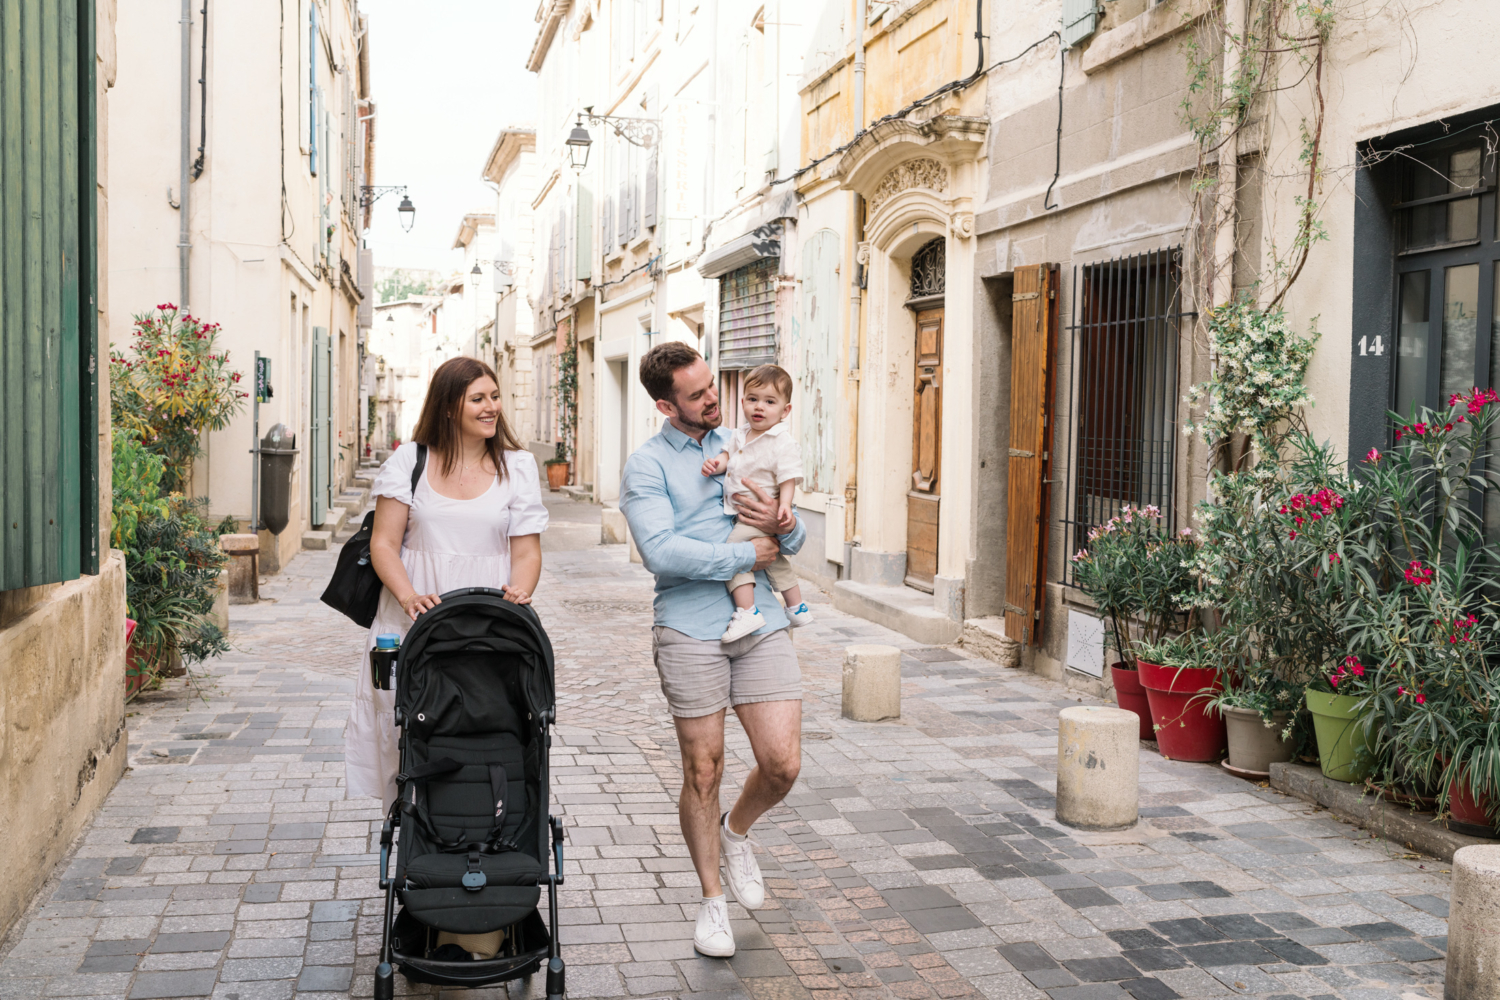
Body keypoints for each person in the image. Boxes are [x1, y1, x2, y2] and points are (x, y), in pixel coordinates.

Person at [620, 342, 805, 959]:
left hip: (761, 621)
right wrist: (741, 556)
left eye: (711, 387)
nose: (714, 399)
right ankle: (711, 903)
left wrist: (782, 526)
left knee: (782, 764)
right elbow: (661, 553)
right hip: (689, 626)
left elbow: (792, 529)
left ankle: (736, 832)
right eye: (698, 394)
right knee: (704, 769)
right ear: (664, 404)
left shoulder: (747, 440)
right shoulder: (646, 467)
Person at [346, 356, 549, 809]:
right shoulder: (410, 461)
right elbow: (383, 543)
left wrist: (519, 592)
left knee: (485, 720)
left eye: (495, 396)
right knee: (405, 724)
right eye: (478, 398)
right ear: (448, 406)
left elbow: (527, 551)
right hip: (412, 614)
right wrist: (408, 595)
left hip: (488, 618)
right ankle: (412, 831)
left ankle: (482, 816)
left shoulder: (517, 466)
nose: (491, 406)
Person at [700, 363, 812, 641]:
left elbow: (788, 477)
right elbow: (728, 458)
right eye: (753, 399)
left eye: (769, 401)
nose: (759, 407)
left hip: (761, 513)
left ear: (785, 410)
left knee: (734, 553)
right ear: (743, 402)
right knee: (775, 560)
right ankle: (797, 607)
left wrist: (784, 506)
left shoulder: (781, 441)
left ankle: (748, 611)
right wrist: (716, 465)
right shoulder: (738, 435)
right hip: (747, 514)